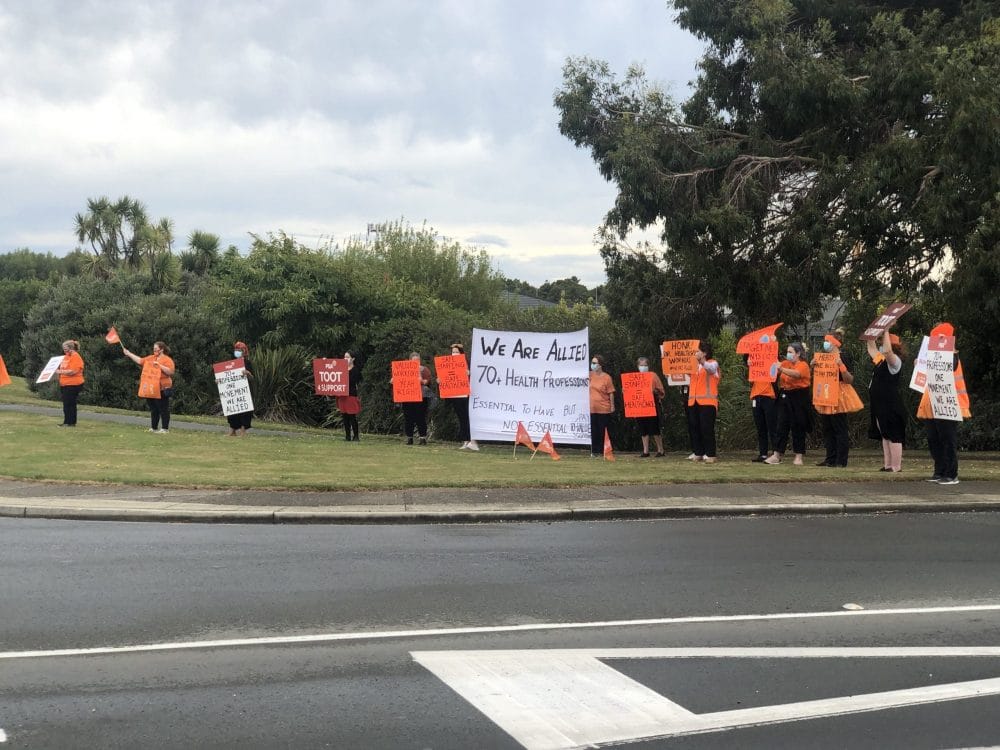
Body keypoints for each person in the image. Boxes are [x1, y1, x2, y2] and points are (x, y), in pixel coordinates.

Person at [917, 322, 970, 485]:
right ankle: (940, 471)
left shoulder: (952, 356)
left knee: (947, 438)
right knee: (934, 438)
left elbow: (950, 366)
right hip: (933, 404)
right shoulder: (934, 357)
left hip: (949, 404)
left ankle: (951, 473)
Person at [812, 331, 860, 467]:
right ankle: (830, 458)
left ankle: (841, 460)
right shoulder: (823, 358)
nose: (825, 344)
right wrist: (813, 365)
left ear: (834, 342)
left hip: (839, 394)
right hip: (826, 393)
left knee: (839, 427)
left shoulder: (843, 357)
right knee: (827, 428)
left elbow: (849, 380)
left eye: (827, 341)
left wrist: (841, 366)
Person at [866, 329, 907, 472]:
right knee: (885, 434)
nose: (881, 346)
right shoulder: (880, 360)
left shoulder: (895, 361)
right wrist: (871, 332)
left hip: (891, 404)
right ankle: (888, 465)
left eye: (883, 342)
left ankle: (896, 467)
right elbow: (871, 348)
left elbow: (888, 352)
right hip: (879, 404)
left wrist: (886, 330)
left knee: (893, 434)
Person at [765, 341, 812, 465]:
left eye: (791, 352)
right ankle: (777, 454)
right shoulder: (785, 363)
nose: (788, 354)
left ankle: (798, 456)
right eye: (787, 352)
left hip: (799, 397)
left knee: (798, 426)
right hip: (785, 395)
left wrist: (781, 368)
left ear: (798, 353)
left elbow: (797, 374)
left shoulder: (803, 365)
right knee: (781, 425)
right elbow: (774, 370)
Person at [122, 341, 175, 433]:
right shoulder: (151, 358)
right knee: (154, 409)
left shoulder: (167, 360)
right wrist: (129, 353)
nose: (154, 350)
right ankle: (154, 428)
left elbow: (170, 372)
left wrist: (159, 366)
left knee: (163, 409)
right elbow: (140, 360)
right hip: (151, 388)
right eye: (153, 349)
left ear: (161, 349)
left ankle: (164, 428)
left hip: (162, 388)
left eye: (156, 349)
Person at [687, 341, 721, 463]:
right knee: (694, 428)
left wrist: (702, 361)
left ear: (704, 352)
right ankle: (698, 452)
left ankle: (711, 454)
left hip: (707, 401)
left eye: (698, 351)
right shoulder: (693, 366)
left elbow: (711, 370)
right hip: (693, 401)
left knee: (707, 428)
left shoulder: (713, 363)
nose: (695, 353)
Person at [446, 343, 478, 451]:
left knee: (467, 418)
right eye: (453, 352)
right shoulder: (448, 364)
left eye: (456, 352)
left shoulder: (466, 362)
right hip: (455, 395)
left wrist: (468, 373)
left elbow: (473, 375)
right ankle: (465, 441)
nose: (454, 353)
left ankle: (472, 441)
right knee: (461, 418)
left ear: (461, 353)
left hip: (465, 394)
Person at [748, 355, 778, 462]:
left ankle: (776, 453)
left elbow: (776, 374)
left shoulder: (772, 360)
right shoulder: (755, 362)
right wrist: (750, 366)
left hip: (769, 396)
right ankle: (763, 453)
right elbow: (751, 380)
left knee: (772, 426)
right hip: (756, 396)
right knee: (760, 427)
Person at [633, 356, 665, 457]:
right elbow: (630, 392)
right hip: (639, 405)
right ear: (638, 366)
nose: (643, 367)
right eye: (641, 365)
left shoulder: (653, 376)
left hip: (652, 404)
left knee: (654, 428)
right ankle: (646, 451)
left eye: (645, 365)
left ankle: (660, 450)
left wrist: (654, 391)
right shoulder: (633, 378)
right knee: (643, 428)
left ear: (648, 366)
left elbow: (661, 391)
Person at [401, 352, 433, 445]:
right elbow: (398, 380)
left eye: (418, 360)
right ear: (410, 360)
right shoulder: (404, 369)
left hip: (421, 397)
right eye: (414, 360)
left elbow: (427, 382)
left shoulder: (424, 370)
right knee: (408, 418)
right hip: (407, 397)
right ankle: (409, 438)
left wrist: (421, 379)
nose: (416, 362)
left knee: (420, 418)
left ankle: (422, 438)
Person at [589, 354, 615, 457]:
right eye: (592, 362)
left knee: (603, 431)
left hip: (604, 409)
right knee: (594, 431)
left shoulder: (607, 377)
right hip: (592, 408)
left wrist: (612, 406)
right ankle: (594, 451)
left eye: (594, 363)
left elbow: (611, 392)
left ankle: (604, 450)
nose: (592, 364)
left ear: (600, 365)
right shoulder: (590, 375)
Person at [226, 341, 254, 436]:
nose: (237, 352)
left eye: (239, 350)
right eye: (236, 350)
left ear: (244, 351)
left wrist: (248, 373)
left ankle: (243, 430)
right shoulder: (231, 362)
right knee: (232, 410)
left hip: (245, 391)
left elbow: (252, 378)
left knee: (245, 411)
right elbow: (226, 376)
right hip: (233, 391)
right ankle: (232, 430)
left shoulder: (247, 363)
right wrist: (219, 380)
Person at [55, 339, 85, 427]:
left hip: (73, 384)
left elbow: (73, 371)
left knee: (70, 404)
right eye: (63, 349)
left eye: (65, 349)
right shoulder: (66, 357)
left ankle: (70, 422)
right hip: (65, 384)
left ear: (71, 348)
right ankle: (67, 421)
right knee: (66, 404)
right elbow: (62, 369)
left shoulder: (76, 356)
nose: (64, 351)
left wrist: (59, 372)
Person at [337, 350, 362, 442]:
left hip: (351, 395)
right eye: (344, 357)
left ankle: (356, 436)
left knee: (352, 416)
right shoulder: (340, 368)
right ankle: (347, 436)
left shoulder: (355, 370)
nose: (345, 359)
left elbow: (352, 382)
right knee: (344, 417)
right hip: (342, 395)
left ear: (353, 359)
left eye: (347, 357)